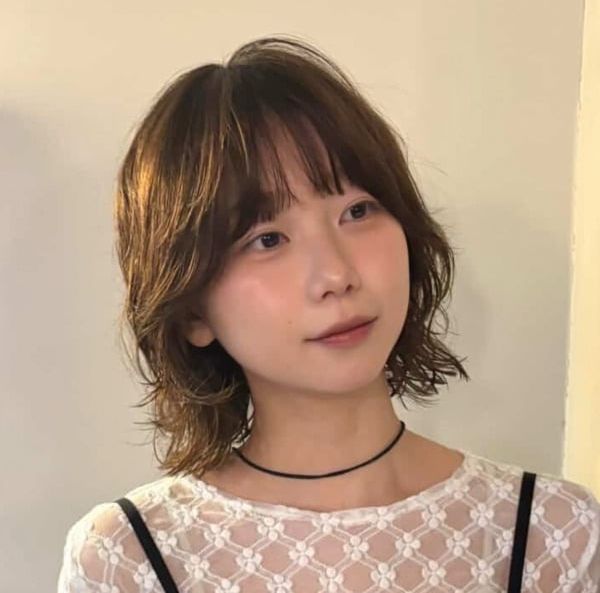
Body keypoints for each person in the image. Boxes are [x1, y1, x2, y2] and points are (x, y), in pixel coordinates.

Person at [58, 36, 600, 592]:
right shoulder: (130, 558)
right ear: (193, 312)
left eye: (357, 210)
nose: (336, 275)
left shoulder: (549, 534)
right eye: (267, 239)